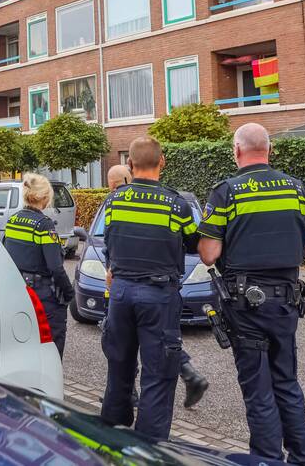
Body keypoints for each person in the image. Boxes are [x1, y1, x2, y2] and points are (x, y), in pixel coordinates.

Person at [198, 123, 305, 465]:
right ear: (269, 150)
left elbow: (208, 254)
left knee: (258, 388)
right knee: (287, 383)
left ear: (237, 150)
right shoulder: (296, 189)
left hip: (245, 304)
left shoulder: (227, 192)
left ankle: (267, 459)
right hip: (286, 302)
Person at [100, 136, 199, 440]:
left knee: (119, 368)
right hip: (158, 297)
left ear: (129, 164)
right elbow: (195, 244)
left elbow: (109, 242)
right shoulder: (177, 205)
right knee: (158, 375)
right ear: (162, 162)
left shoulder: (114, 200)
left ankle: (112, 440)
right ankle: (148, 451)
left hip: (120, 293)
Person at [2, 173, 72, 357]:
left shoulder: (13, 220)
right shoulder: (43, 225)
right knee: (51, 349)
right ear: (45, 197)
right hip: (44, 296)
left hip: (19, 292)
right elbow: (55, 267)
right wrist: (69, 293)